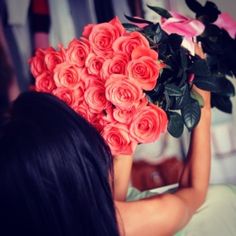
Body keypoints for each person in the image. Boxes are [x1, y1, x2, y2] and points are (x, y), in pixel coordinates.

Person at [0, 83, 212, 236]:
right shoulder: (124, 223)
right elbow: (194, 190)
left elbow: (109, 198)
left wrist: (127, 118)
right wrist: (202, 101)